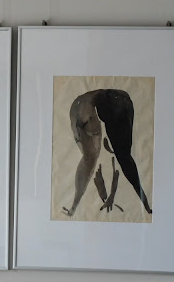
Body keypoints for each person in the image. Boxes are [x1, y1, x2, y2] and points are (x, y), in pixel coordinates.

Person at [62, 89, 151, 217]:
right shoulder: (87, 111)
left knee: (116, 156)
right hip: (107, 105)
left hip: (104, 106)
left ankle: (145, 204)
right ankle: (145, 204)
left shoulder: (89, 109)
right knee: (108, 157)